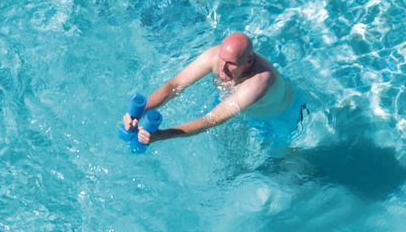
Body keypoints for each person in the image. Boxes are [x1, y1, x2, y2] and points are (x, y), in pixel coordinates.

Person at [123, 32, 305, 148]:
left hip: (279, 117)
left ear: (249, 61)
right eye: (222, 60)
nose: (222, 68)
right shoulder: (216, 56)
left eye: (231, 64)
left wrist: (161, 135)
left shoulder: (258, 82)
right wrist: (138, 112)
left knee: (280, 159)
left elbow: (211, 120)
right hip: (241, 107)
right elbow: (175, 85)